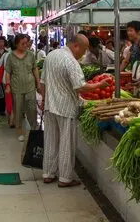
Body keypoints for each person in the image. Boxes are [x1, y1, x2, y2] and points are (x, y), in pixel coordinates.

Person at [40, 34, 111, 187]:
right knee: (66, 143)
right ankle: (65, 178)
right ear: (76, 46)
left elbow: (42, 82)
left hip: (50, 106)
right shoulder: (71, 61)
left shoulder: (51, 55)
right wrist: (100, 85)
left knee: (50, 141)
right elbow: (80, 86)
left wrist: (44, 100)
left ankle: (48, 173)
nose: (84, 54)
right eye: (84, 50)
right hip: (66, 108)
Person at [4, 34, 41, 142]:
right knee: (18, 109)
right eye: (22, 43)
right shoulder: (11, 56)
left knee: (32, 109)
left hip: (30, 86)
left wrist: (38, 83)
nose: (25, 45)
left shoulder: (30, 55)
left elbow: (35, 69)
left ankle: (34, 129)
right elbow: (8, 72)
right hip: (17, 87)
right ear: (16, 44)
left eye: (26, 43)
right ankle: (20, 131)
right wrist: (7, 85)